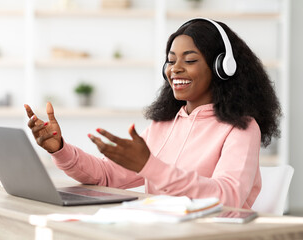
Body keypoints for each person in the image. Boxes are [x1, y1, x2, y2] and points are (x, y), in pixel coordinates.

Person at [24, 18, 281, 209]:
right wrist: (59, 148)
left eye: (189, 60)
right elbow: (106, 175)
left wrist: (151, 167)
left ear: (222, 67)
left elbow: (227, 198)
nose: (175, 69)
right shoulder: (164, 126)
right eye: (171, 60)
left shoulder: (241, 128)